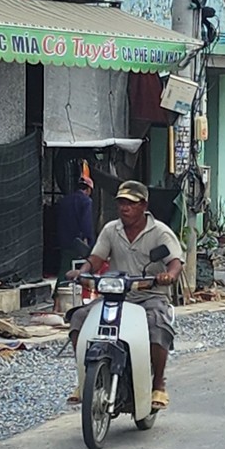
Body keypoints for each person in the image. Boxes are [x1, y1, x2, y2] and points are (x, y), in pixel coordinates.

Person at [65, 180, 183, 410]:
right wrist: (82, 272)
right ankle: (84, 379)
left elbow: (175, 262)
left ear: (143, 205)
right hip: (115, 295)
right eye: (121, 203)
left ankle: (158, 384)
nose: (124, 208)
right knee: (79, 318)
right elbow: (96, 258)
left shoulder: (160, 232)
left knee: (158, 326)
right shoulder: (111, 229)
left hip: (150, 295)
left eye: (130, 203)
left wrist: (168, 275)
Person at [53, 175, 96, 312]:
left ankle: (58, 302)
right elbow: (86, 224)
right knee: (75, 272)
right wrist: (90, 242)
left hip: (64, 240)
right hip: (78, 244)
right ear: (88, 189)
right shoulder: (86, 201)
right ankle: (61, 302)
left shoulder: (65, 200)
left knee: (64, 268)